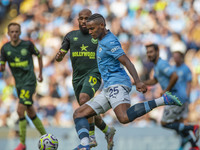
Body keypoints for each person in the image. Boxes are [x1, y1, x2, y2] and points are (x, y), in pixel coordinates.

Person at [72, 13, 182, 150]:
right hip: (108, 87)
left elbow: (126, 61)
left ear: (102, 25)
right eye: (88, 29)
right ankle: (84, 145)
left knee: (123, 118)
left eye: (92, 29)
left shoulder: (110, 41)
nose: (90, 32)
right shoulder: (101, 38)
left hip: (117, 83)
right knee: (79, 113)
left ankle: (162, 100)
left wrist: (138, 81)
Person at [55, 9, 115, 149]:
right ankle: (107, 131)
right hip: (77, 79)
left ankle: (91, 137)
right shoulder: (71, 36)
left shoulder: (97, 36)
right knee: (87, 110)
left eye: (86, 18)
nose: (83, 21)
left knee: (84, 99)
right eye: (81, 18)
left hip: (94, 74)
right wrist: (58, 56)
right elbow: (60, 55)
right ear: (77, 20)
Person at [0, 22, 46, 150]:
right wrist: (2, 67)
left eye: (16, 31)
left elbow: (39, 55)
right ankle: (46, 136)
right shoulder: (5, 49)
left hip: (29, 82)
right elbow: (2, 67)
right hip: (18, 84)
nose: (14, 34)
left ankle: (22, 143)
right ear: (8, 34)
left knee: (20, 109)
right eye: (12, 32)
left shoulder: (28, 45)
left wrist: (41, 74)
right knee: (30, 111)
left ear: (20, 33)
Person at [144, 43, 199, 150]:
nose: (149, 54)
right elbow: (155, 80)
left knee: (165, 123)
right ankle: (193, 145)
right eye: (147, 52)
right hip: (176, 97)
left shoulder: (165, 65)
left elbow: (180, 80)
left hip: (177, 98)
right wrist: (139, 82)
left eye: (151, 52)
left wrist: (166, 90)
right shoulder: (160, 65)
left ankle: (193, 128)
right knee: (177, 125)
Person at [171, 46, 199, 150]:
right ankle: (191, 143)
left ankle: (190, 138)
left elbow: (189, 84)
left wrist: (186, 98)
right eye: (174, 57)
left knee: (175, 122)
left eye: (177, 57)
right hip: (174, 98)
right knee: (177, 124)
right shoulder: (173, 69)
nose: (175, 59)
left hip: (182, 99)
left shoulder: (185, 69)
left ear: (181, 58)